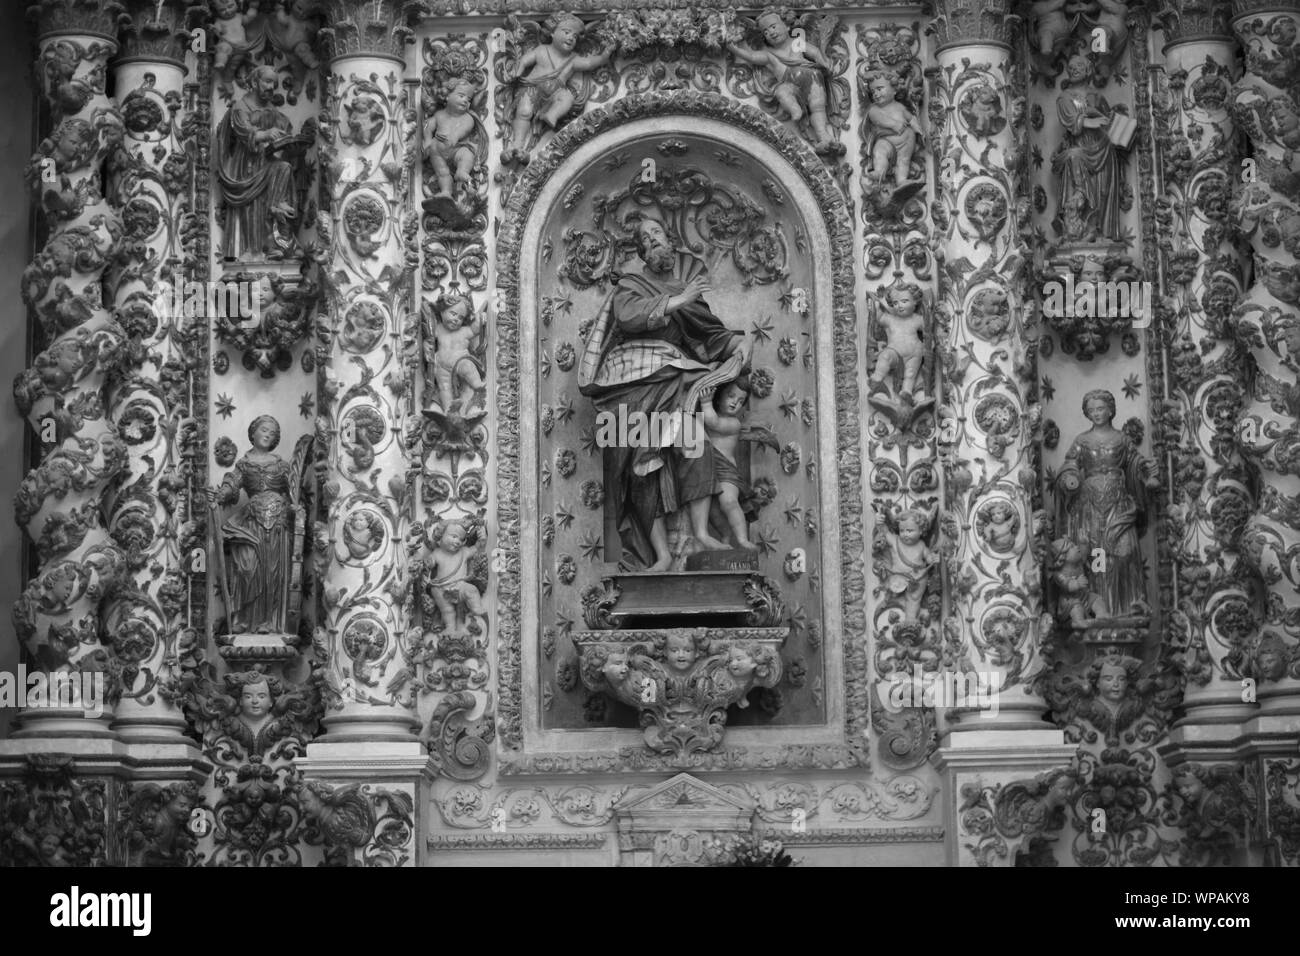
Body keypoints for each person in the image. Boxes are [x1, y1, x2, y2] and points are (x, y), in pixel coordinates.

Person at [578, 217, 747, 570]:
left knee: (694, 448)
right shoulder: (631, 284)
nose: (652, 239)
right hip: (631, 381)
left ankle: (700, 534)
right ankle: (661, 555)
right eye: (645, 237)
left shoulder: (685, 289)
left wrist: (739, 345)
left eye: (656, 233)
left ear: (670, 243)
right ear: (640, 251)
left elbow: (711, 335)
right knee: (641, 469)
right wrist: (675, 301)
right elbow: (627, 317)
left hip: (675, 376)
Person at [1055, 389, 1159, 618]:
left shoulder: (1122, 439)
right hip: (1090, 505)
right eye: (1091, 410)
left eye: (1100, 408)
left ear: (1110, 410)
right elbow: (1070, 463)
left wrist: (1146, 469)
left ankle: (1128, 604)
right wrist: (1070, 477)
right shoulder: (1082, 440)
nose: (1096, 414)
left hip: (1118, 503)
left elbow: (1135, 463)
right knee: (1096, 552)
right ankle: (1099, 607)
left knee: (1123, 553)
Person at [207, 415, 292, 633]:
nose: (267, 434)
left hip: (277, 525)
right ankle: (244, 618)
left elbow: (294, 492)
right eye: (264, 429)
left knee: (272, 573)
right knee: (247, 567)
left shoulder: (282, 465)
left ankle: (269, 622)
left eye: (272, 433)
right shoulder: (244, 465)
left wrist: (295, 508)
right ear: (253, 433)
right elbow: (231, 484)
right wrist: (218, 495)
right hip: (252, 523)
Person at [216, 65, 299, 260]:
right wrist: (265, 134)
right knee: (253, 205)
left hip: (267, 160)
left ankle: (273, 235)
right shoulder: (241, 107)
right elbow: (244, 132)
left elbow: (281, 129)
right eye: (268, 82)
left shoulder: (271, 109)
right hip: (247, 166)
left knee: (285, 168)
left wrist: (287, 140)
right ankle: (252, 250)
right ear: (254, 82)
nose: (272, 87)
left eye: (275, 84)